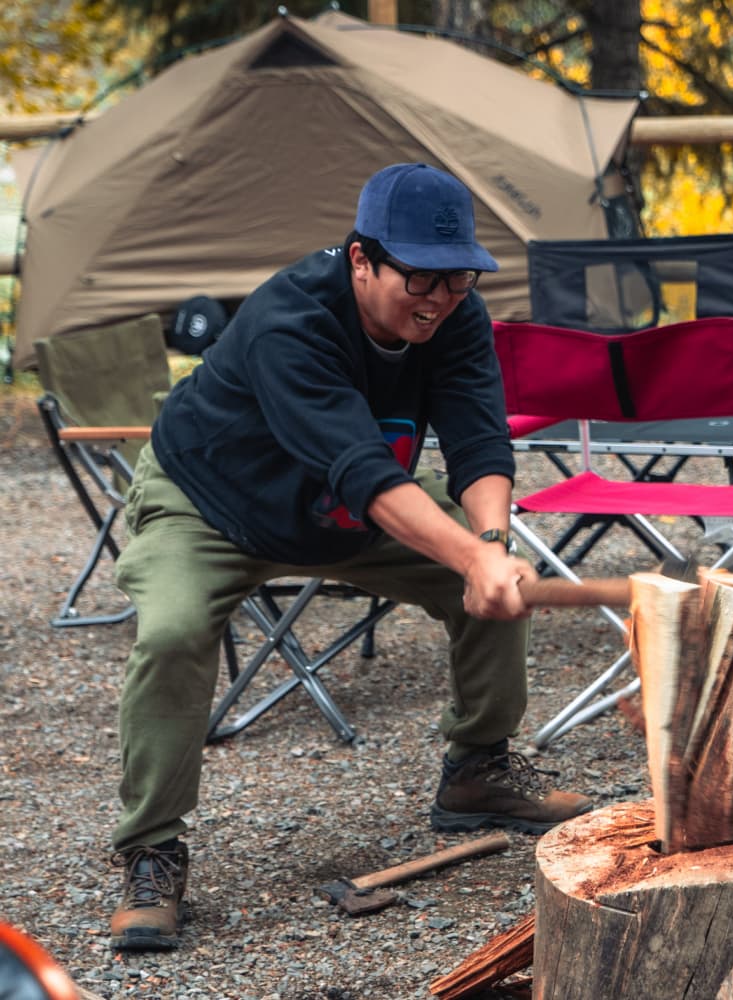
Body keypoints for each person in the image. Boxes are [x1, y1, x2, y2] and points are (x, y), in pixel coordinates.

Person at [108, 162, 593, 952]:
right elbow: (361, 470)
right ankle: (150, 851)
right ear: (362, 259)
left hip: (347, 508)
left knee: (498, 583)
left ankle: (478, 770)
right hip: (211, 502)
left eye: (458, 278)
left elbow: (478, 440)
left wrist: (492, 550)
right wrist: (472, 556)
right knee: (172, 632)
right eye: (420, 278)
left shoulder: (455, 314)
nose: (439, 298)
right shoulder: (289, 320)